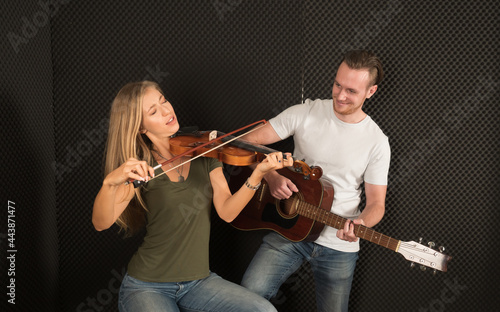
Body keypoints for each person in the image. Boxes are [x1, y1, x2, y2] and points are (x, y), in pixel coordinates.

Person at [92, 80, 292, 312]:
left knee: (264, 310)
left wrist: (257, 175)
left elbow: (227, 212)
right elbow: (101, 223)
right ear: (141, 128)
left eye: (163, 100)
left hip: (198, 282)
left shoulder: (206, 151)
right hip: (148, 285)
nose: (167, 110)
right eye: (154, 111)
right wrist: (110, 183)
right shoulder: (141, 167)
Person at [240, 50, 391, 312]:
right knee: (247, 296)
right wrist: (270, 175)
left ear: (371, 91)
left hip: (337, 242)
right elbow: (245, 143)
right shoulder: (306, 112)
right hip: (289, 229)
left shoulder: (377, 142)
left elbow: (377, 204)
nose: (340, 96)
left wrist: (361, 223)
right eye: (337, 85)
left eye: (351, 91)